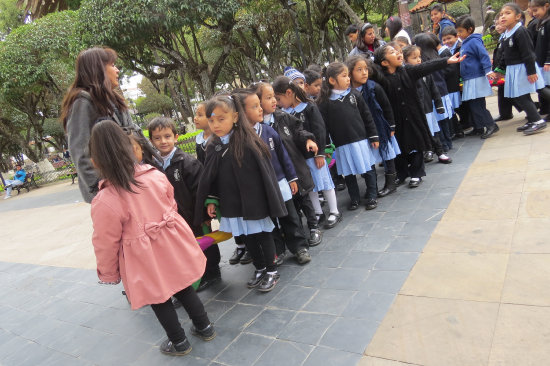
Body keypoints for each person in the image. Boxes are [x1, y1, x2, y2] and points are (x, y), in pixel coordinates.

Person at [89, 120, 214, 357]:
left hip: (142, 257)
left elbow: (105, 241)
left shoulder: (105, 200)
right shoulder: (155, 176)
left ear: (96, 162)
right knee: (183, 287)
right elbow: (171, 205)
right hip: (170, 244)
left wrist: (109, 273)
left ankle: (179, 342)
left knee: (158, 298)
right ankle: (204, 327)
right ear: (133, 151)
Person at [195, 95, 287, 292]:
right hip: (233, 202)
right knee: (247, 236)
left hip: (254, 201)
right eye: (211, 120)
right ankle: (260, 268)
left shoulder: (248, 140)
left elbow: (264, 173)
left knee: (262, 234)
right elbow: (211, 176)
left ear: (235, 117)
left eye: (221, 119)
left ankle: (272, 270)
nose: (216, 124)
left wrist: (267, 200)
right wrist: (212, 200)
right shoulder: (214, 145)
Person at [235, 88, 312, 265]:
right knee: (270, 221)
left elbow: (284, 156)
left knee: (289, 215)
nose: (260, 109)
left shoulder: (268, 132)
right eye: (254, 107)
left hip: (280, 183)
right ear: (240, 113)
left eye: (258, 104)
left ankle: (299, 247)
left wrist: (292, 178)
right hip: (261, 189)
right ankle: (278, 250)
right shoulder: (239, 140)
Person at [61, 47, 148, 203]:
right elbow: (80, 151)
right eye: (113, 65)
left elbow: (135, 134)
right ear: (99, 69)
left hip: (132, 178)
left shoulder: (114, 99)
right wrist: (98, 189)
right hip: (111, 187)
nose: (117, 70)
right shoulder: (82, 102)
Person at [371, 44, 464, 187]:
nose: (398, 53)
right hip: (395, 119)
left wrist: (446, 61)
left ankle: (417, 173)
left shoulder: (407, 71)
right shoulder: (380, 78)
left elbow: (425, 67)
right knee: (399, 147)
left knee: (416, 143)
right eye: (392, 52)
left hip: (414, 115)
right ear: (384, 62)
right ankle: (402, 174)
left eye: (397, 51)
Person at [148, 116, 222, 293]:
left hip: (194, 215)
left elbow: (200, 191)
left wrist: (203, 216)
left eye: (167, 136)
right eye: (157, 138)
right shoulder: (153, 165)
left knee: (204, 242)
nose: (163, 141)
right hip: (173, 218)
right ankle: (193, 273)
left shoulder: (187, 163)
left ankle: (212, 272)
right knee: (185, 247)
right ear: (151, 141)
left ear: (176, 137)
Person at [250, 81, 324, 247]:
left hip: (295, 166)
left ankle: (314, 227)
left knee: (304, 199)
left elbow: (299, 131)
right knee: (291, 205)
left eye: (274, 97)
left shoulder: (283, 117)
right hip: (279, 173)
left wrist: (308, 140)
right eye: (268, 98)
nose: (274, 101)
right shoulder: (256, 128)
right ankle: (296, 233)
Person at [273, 76, 342, 228]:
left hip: (315, 156)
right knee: (309, 187)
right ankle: (318, 212)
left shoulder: (309, 107)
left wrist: (320, 154)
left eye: (278, 98)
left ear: (289, 93)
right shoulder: (283, 114)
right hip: (300, 158)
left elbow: (320, 130)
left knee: (324, 182)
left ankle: (334, 211)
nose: (278, 103)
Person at [317, 61, 380, 211]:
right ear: (332, 80)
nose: (348, 79)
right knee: (349, 173)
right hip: (341, 144)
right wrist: (326, 146)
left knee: (368, 168)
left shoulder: (354, 94)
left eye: (348, 76)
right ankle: (355, 198)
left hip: (361, 140)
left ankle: (372, 194)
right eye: (344, 76)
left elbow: (367, 116)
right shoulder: (324, 103)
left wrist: (374, 136)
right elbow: (323, 128)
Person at [347, 55, 402, 197]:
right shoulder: (348, 92)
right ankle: (372, 187)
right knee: (369, 157)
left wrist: (391, 126)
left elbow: (386, 106)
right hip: (362, 130)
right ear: (350, 73)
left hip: (380, 126)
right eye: (359, 70)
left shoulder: (373, 87)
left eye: (366, 69)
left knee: (387, 152)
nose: (364, 72)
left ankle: (391, 182)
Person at [493, 4, 548, 135]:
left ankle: (537, 121)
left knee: (522, 97)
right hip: (513, 69)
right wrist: (499, 70)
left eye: (507, 13)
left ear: (518, 17)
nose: (503, 16)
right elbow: (505, 55)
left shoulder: (520, 31)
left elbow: (528, 53)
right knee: (519, 96)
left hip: (523, 68)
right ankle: (532, 119)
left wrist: (531, 71)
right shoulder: (506, 33)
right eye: (501, 14)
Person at [403, 45, 452, 165]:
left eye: (419, 57)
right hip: (418, 112)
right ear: (405, 60)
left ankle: (440, 152)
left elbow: (434, 89)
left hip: (429, 109)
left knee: (434, 132)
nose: (418, 60)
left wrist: (439, 104)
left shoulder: (426, 73)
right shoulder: (406, 75)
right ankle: (427, 151)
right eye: (414, 58)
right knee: (422, 133)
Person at [455, 15, 500, 139]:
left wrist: (487, 71)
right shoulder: (465, 42)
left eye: (460, 31)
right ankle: (478, 127)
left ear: (469, 29)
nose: (458, 34)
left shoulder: (474, 41)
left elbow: (484, 55)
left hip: (476, 78)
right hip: (469, 78)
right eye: (457, 31)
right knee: (473, 104)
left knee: (477, 105)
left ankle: (491, 125)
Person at [415, 33, 456, 150]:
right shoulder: (436, 55)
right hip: (442, 90)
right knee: (444, 119)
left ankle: (443, 144)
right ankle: (448, 142)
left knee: (437, 122)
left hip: (433, 94)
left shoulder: (424, 60)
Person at [441, 26, 472, 133]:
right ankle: (465, 122)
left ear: (456, 37)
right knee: (459, 103)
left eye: (449, 38)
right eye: (444, 39)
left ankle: (468, 121)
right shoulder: (447, 50)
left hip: (462, 77)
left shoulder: (461, 47)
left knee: (464, 103)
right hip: (455, 79)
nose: (446, 41)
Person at [531, 0, 550, 118]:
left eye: (535, 10)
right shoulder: (542, 23)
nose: (533, 14)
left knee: (546, 87)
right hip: (541, 62)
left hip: (547, 63)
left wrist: (548, 60)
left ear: (546, 6)